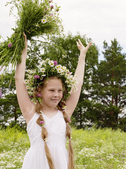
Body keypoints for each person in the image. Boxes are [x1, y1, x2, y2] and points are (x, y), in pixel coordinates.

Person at [15, 33, 92, 169]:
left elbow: (77, 84)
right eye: (51, 90)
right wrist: (23, 51)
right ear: (40, 91)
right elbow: (19, 80)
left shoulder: (65, 112)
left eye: (60, 91)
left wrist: (82, 56)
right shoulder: (30, 111)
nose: (56, 95)